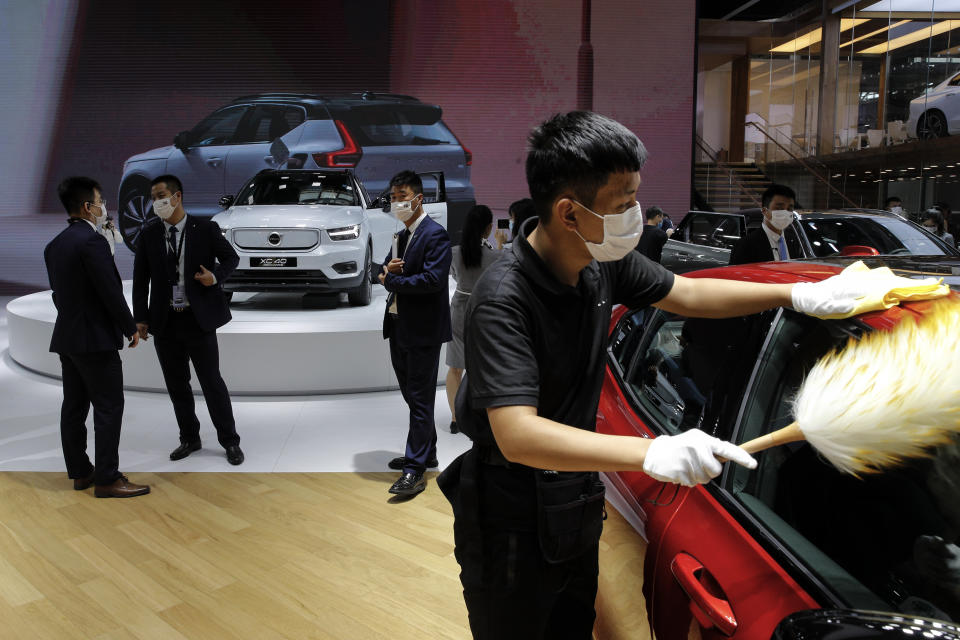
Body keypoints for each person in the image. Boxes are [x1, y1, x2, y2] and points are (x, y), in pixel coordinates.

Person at [438, 111, 871, 639]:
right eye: (623, 204)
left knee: (573, 625)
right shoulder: (504, 299)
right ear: (569, 213)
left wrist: (795, 293)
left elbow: (687, 293)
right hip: (509, 514)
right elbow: (518, 435)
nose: (635, 215)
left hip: (571, 500)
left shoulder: (600, 258)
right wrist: (654, 452)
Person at [45, 177, 149, 498]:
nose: (105, 207)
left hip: (68, 336)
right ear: (89, 207)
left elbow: (59, 296)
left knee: (74, 407)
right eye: (101, 201)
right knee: (108, 407)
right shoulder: (93, 243)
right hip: (95, 339)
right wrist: (128, 326)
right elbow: (110, 290)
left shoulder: (55, 245)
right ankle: (107, 478)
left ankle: (80, 472)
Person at [132, 174, 244, 466]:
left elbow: (232, 259)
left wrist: (214, 277)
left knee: (212, 382)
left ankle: (230, 441)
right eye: (153, 198)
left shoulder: (205, 229)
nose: (156, 202)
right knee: (177, 385)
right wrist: (140, 318)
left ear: (177, 196)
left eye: (161, 196)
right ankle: (189, 438)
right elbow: (140, 280)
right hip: (165, 321)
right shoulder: (149, 234)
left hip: (199, 320)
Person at [379, 170, 453, 497]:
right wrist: (388, 274)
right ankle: (428, 452)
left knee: (420, 400)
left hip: (423, 330)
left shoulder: (435, 235)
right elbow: (381, 270)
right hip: (398, 325)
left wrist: (392, 280)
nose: (397, 202)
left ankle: (415, 469)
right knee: (413, 397)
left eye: (402, 196)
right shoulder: (402, 234)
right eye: (393, 197)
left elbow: (433, 281)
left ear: (419, 198)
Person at [446, 205, 501, 435]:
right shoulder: (496, 255)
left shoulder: (454, 252)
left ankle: (455, 418)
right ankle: (481, 416)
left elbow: (451, 274)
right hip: (484, 309)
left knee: (455, 367)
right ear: (488, 228)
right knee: (481, 367)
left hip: (458, 307)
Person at [729, 184, 797, 265]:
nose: (785, 212)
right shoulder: (746, 245)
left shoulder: (794, 242)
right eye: (779, 208)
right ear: (765, 211)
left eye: (789, 209)